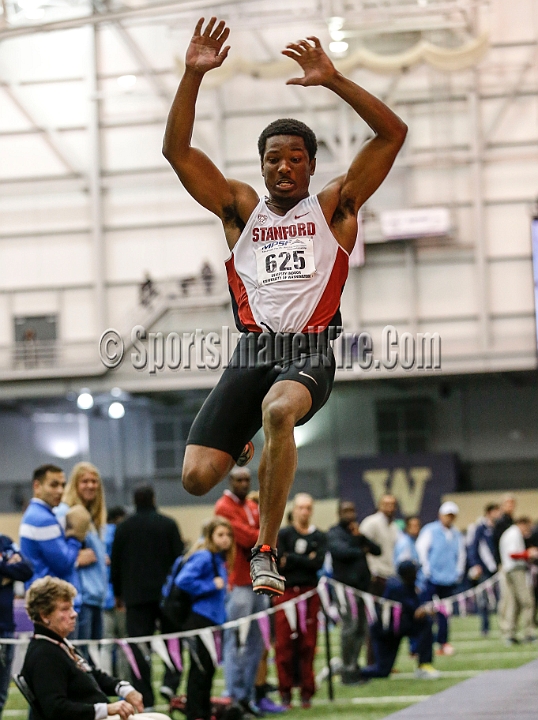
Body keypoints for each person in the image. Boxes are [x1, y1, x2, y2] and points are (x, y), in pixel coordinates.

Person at [163, 17, 407, 596]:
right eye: (274, 157)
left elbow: (391, 134)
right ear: (263, 163)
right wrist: (193, 75)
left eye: (296, 157)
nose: (284, 166)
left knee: (278, 410)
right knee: (198, 479)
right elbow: (177, 151)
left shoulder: (333, 208)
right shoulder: (240, 210)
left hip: (309, 349)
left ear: (311, 165)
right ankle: (247, 429)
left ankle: (266, 552)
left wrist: (334, 80)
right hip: (254, 350)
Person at [21, 576, 169, 720]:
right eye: (65, 609)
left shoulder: (58, 644)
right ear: (44, 615)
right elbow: (56, 709)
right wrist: (106, 709)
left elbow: (92, 675)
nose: (74, 614)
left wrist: (124, 688)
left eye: (72, 607)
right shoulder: (44, 654)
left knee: (159, 717)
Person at [110, 485, 184, 709]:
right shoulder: (168, 524)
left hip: (135, 599)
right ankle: (170, 683)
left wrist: (118, 594)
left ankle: (146, 700)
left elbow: (115, 563)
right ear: (153, 498)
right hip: (166, 598)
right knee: (173, 641)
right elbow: (179, 561)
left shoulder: (123, 528)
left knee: (139, 649)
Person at [214, 469, 268, 717]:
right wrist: (264, 536)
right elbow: (249, 537)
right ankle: (233, 696)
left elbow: (261, 533)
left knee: (257, 641)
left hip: (258, 580)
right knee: (235, 641)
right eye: (239, 480)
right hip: (238, 581)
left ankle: (247, 696)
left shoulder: (252, 505)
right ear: (230, 481)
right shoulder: (223, 507)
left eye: (247, 480)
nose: (244, 484)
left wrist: (262, 535)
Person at [174, 517, 234, 720]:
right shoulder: (204, 557)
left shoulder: (219, 558)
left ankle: (204, 710)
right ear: (210, 537)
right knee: (199, 669)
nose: (225, 539)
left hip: (214, 620)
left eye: (228, 535)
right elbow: (183, 580)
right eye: (220, 535)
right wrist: (210, 585)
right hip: (200, 619)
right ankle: (194, 712)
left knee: (208, 668)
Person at [274, 493, 326, 709]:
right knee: (284, 645)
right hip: (286, 595)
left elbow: (318, 564)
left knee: (308, 644)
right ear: (294, 510)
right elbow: (280, 563)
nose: (304, 512)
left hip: (309, 593)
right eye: (300, 507)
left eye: (308, 507)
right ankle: (285, 692)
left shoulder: (319, 537)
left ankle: (307, 692)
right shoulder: (284, 534)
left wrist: (293, 559)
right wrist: (306, 560)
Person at [327, 500, 381, 685]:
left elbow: (376, 550)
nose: (349, 514)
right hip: (344, 589)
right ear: (339, 513)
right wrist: (359, 546)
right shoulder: (335, 533)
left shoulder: (357, 533)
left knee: (361, 629)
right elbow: (341, 552)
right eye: (345, 510)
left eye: (352, 510)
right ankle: (346, 671)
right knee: (349, 628)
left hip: (362, 589)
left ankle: (354, 666)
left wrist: (360, 539)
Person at [360, 561, 440, 681]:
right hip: (386, 632)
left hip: (398, 627)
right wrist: (424, 610)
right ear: (408, 574)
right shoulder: (397, 587)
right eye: (415, 572)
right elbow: (413, 610)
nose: (417, 575)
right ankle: (348, 671)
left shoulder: (406, 584)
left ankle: (424, 664)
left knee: (425, 623)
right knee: (382, 671)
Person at [57, 462, 109, 643]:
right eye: (85, 481)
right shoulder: (65, 512)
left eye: (94, 481)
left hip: (96, 597)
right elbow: (58, 553)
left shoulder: (92, 517)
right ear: (75, 484)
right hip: (81, 597)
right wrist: (76, 560)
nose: (90, 486)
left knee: (93, 657)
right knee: (82, 655)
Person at [19, 465, 89, 592]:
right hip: (51, 599)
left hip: (45, 596)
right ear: (37, 486)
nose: (60, 491)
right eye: (54, 485)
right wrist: (75, 537)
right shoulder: (43, 519)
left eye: (63, 485)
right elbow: (64, 565)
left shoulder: (34, 514)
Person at [416, 501, 465, 656]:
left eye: (451, 515)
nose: (449, 518)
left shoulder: (457, 534)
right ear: (440, 515)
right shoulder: (430, 530)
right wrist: (426, 569)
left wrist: (458, 571)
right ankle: (418, 645)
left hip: (448, 579)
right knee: (424, 612)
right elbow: (421, 549)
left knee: (445, 612)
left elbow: (461, 555)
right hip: (431, 579)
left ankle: (443, 642)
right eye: (446, 515)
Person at [0, 535, 33, 719]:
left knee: (1, 691)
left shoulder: (5, 542)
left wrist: (3, 569)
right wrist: (7, 569)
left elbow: (27, 569)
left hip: (5, 626)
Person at [498, 516, 538, 645]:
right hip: (516, 570)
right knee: (528, 601)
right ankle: (529, 632)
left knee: (513, 603)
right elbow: (513, 554)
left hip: (511, 570)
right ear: (522, 524)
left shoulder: (511, 533)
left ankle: (510, 633)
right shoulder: (513, 534)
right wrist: (529, 554)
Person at [103, 507, 130, 679]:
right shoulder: (124, 535)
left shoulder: (99, 535)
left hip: (102, 597)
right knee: (124, 644)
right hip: (121, 597)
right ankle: (124, 686)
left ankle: (102, 685)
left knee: (105, 646)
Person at [466, 503, 501, 636]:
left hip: (496, 569)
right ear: (489, 512)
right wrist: (475, 564)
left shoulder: (496, 528)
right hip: (484, 570)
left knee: (499, 598)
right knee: (483, 599)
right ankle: (485, 628)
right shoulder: (480, 528)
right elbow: (473, 547)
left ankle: (501, 626)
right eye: (496, 512)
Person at [360, 495, 399, 597]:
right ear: (380, 506)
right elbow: (361, 546)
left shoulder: (394, 527)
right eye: (386, 505)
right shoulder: (371, 522)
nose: (390, 508)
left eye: (392, 505)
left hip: (390, 574)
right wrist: (370, 570)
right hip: (375, 574)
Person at [493, 494, 516, 565]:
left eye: (512, 503)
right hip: (504, 560)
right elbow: (497, 542)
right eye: (507, 503)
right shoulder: (500, 523)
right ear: (502, 506)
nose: (510, 505)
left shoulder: (512, 521)